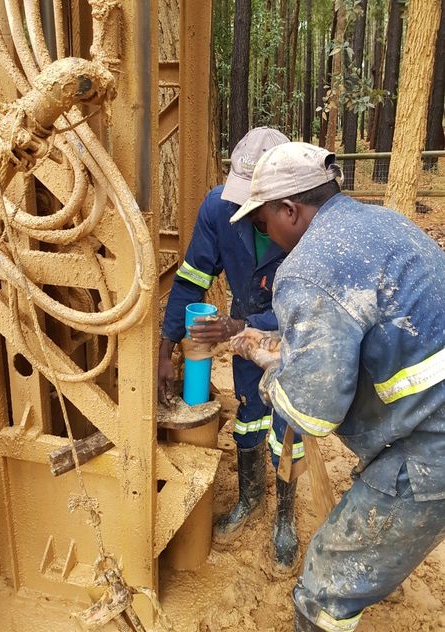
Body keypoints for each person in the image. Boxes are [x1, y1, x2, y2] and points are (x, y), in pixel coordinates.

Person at [228, 141, 445, 631]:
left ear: (290, 210)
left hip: (432, 446)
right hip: (430, 413)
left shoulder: (307, 267)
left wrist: (270, 367)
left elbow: (312, 414)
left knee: (325, 582)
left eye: (263, 222)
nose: (264, 234)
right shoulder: (378, 223)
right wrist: (288, 343)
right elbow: (365, 320)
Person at [158, 127, 304, 567]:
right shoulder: (219, 209)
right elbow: (192, 277)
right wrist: (167, 349)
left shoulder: (307, 223)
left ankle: (285, 519)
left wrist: (242, 325)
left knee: (288, 427)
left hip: (293, 339)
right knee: (248, 416)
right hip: (242, 337)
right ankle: (250, 498)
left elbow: (310, 310)